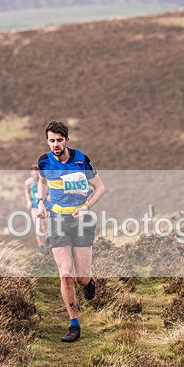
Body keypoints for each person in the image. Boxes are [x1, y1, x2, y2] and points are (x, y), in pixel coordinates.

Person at [35, 120, 106, 343]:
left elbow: (100, 188)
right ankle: (74, 324)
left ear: (67, 140)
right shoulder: (44, 161)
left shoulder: (81, 159)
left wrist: (86, 207)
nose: (55, 144)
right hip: (57, 220)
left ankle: (88, 282)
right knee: (65, 274)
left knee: (81, 278)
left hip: (81, 221)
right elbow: (42, 182)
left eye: (59, 140)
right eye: (51, 141)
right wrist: (40, 202)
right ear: (47, 141)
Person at [24, 164, 48, 254]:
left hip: (45, 206)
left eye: (37, 173)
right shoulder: (29, 182)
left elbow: (49, 191)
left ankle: (48, 241)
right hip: (34, 206)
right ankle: (41, 246)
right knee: (37, 226)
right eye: (33, 173)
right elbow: (27, 192)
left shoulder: (45, 181)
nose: (35, 175)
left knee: (44, 226)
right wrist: (28, 201)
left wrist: (49, 197)